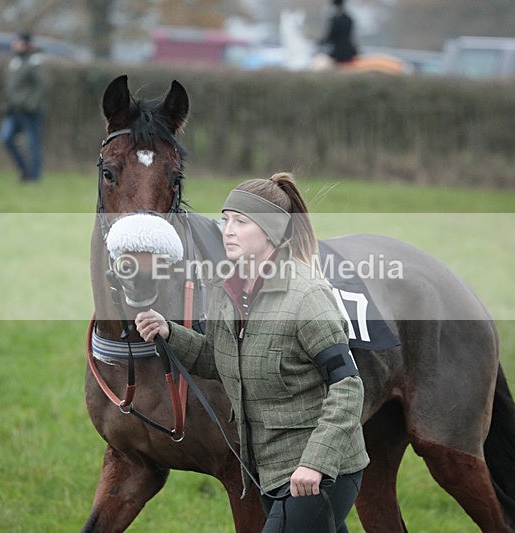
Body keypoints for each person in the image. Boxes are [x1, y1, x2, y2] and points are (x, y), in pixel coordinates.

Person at [135, 173, 369, 532]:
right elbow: (221, 360)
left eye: (241, 222)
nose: (227, 229)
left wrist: (315, 463)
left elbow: (348, 386)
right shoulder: (226, 290)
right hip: (267, 472)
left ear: (271, 232)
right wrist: (170, 333)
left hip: (318, 472)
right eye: (226, 219)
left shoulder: (306, 295)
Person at [0, 31, 46, 182]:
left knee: (32, 144)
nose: (14, 45)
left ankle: (34, 178)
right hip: (13, 110)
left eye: (18, 42)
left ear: (27, 44)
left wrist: (31, 104)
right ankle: (24, 170)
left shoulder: (34, 61)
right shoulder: (14, 62)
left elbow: (41, 86)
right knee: (5, 138)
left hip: (30, 111)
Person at [318, 0, 358, 65]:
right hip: (349, 51)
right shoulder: (349, 19)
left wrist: (319, 43)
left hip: (338, 53)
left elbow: (330, 37)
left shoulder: (335, 20)